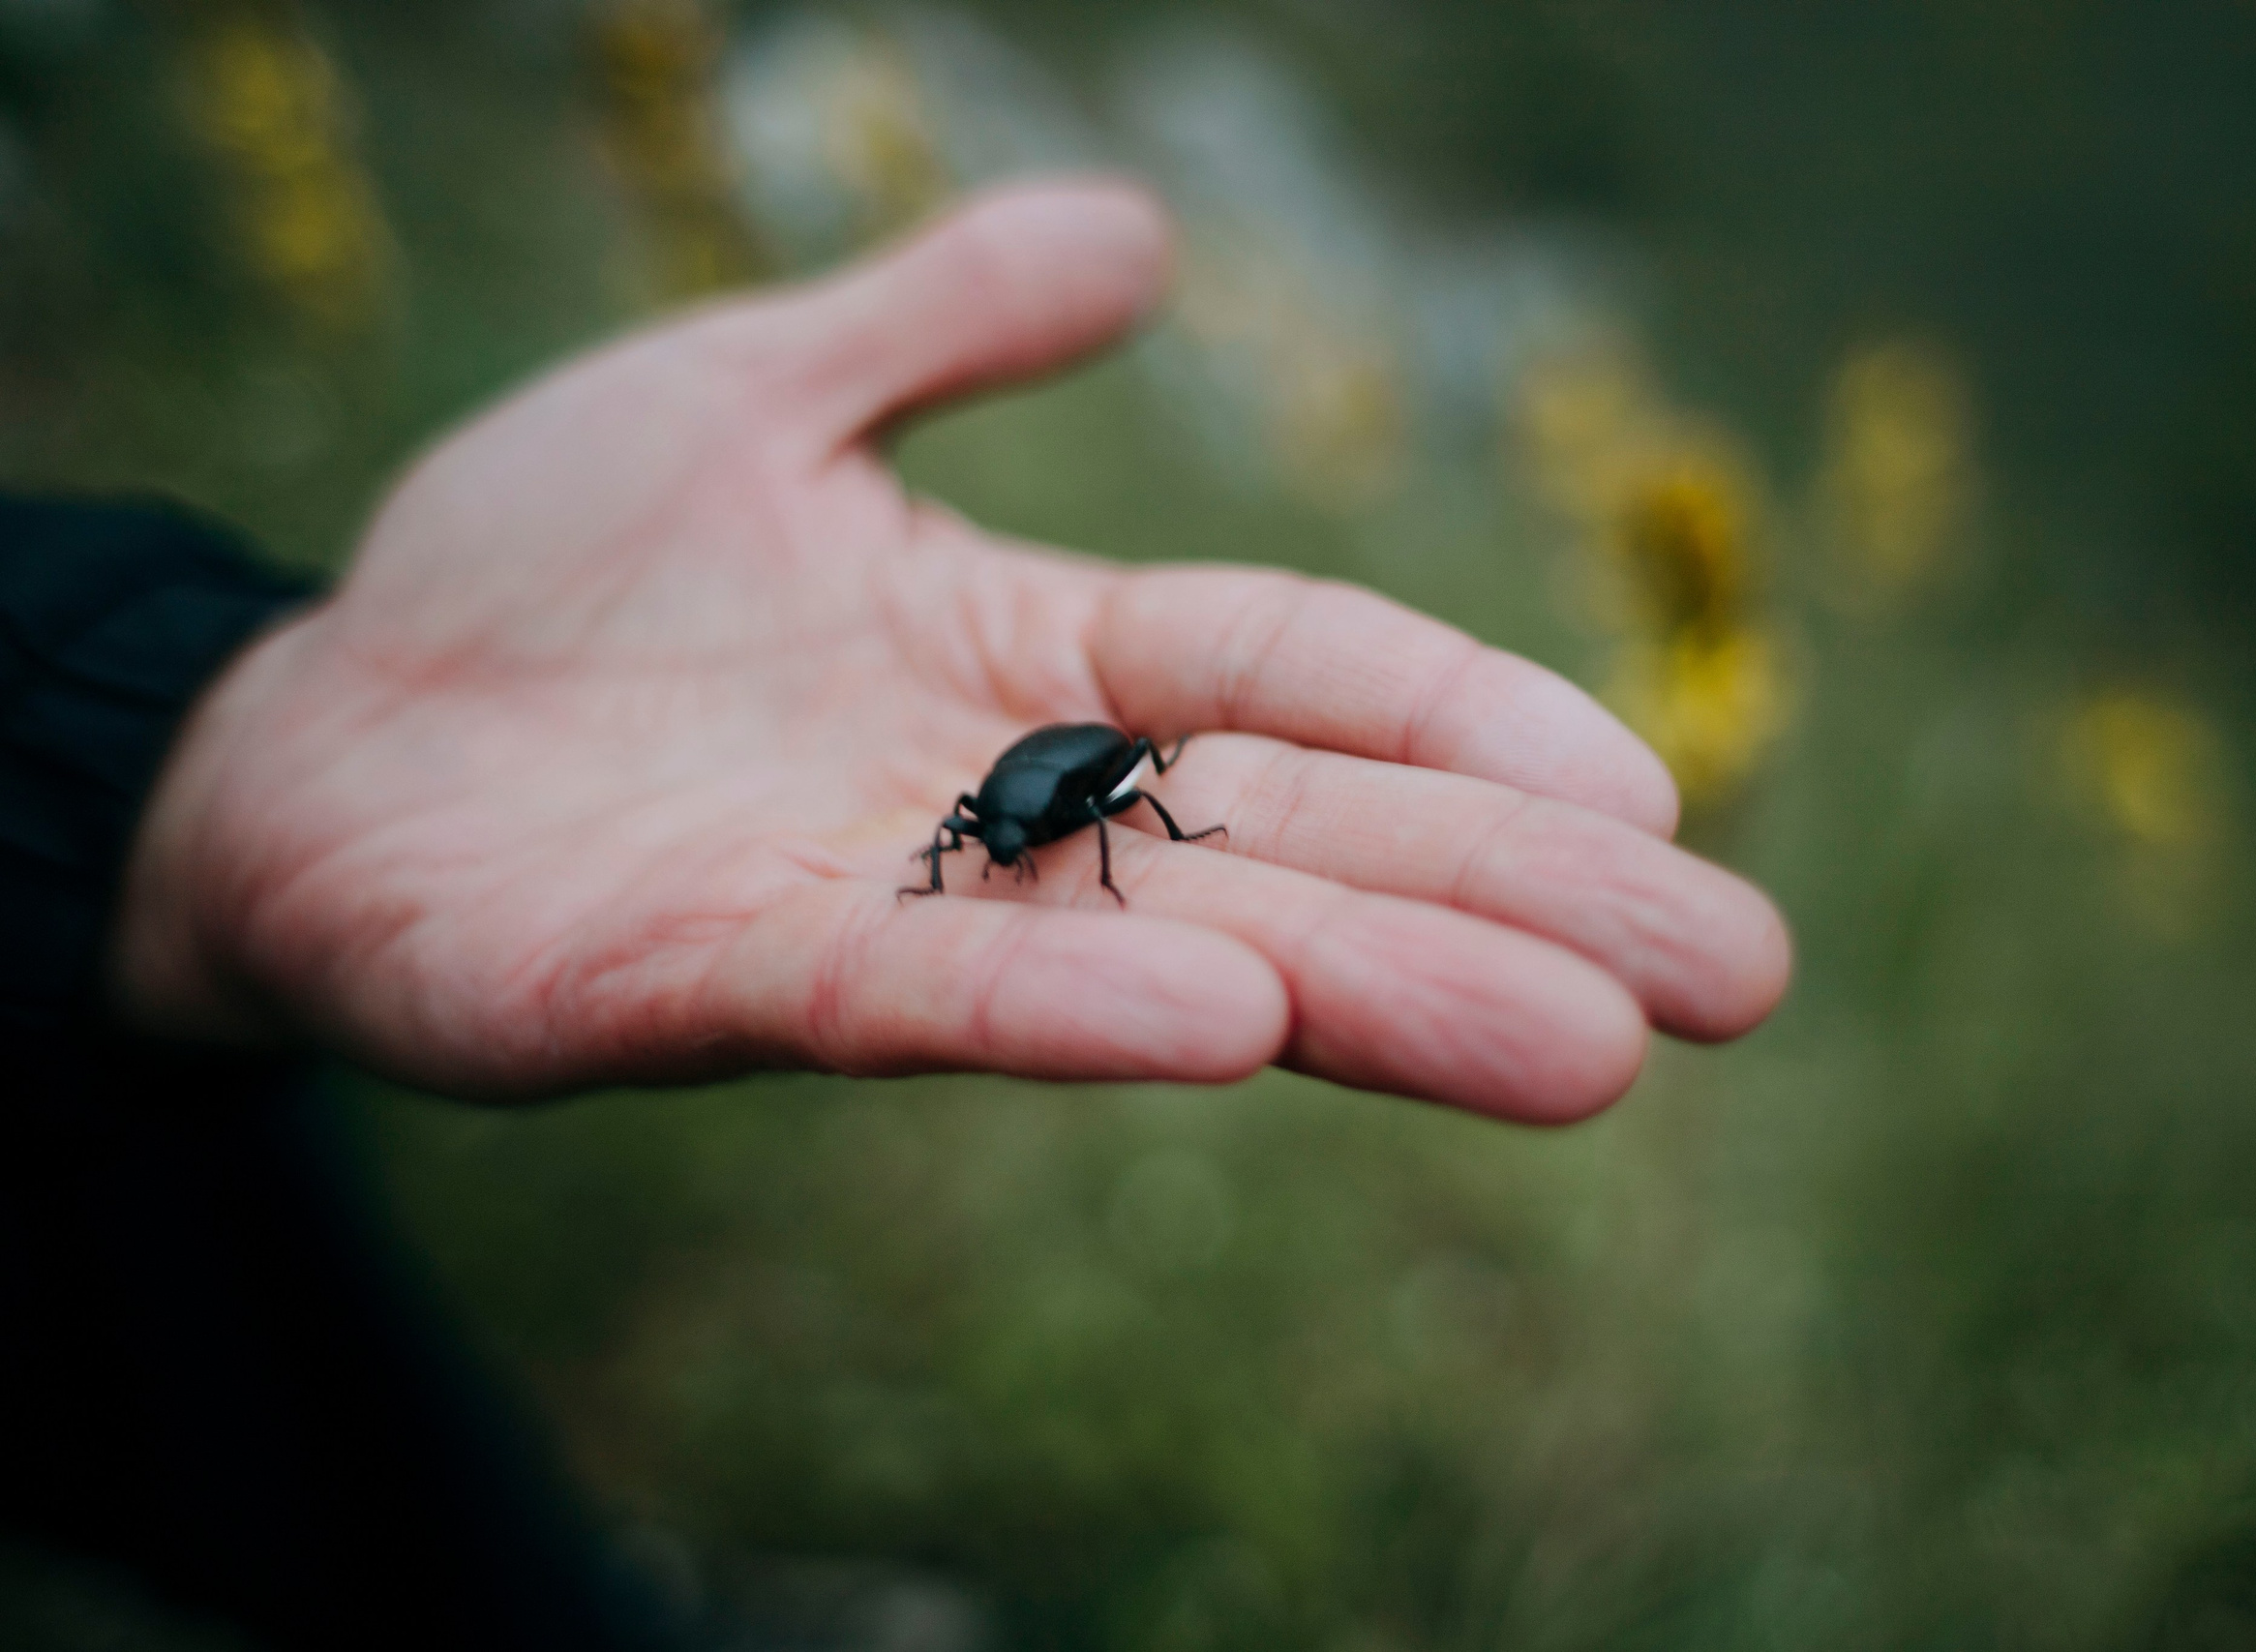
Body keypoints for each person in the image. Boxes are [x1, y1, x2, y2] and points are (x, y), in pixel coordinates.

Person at [2, 181, 1790, 1647]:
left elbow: (1073, 797)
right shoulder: (1029, 806)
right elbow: (1035, 808)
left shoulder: (1072, 790)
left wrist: (159, 740)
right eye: (1005, 854)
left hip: (115, 871)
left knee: (298, 1397)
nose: (1011, 858)